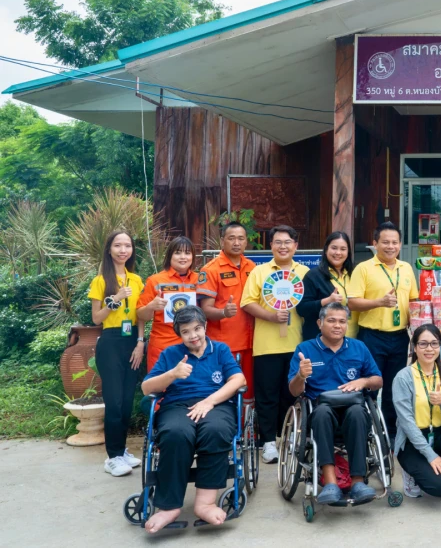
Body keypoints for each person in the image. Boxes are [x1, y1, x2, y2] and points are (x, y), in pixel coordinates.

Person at [140, 306, 245, 533]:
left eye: (197, 328)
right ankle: (169, 507)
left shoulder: (220, 350)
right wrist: (172, 375)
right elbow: (146, 387)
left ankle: (205, 504)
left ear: (205, 326)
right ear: (179, 334)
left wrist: (210, 402)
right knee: (176, 433)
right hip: (177, 405)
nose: (193, 335)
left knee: (215, 430)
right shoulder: (170, 354)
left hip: (215, 403)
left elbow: (238, 379)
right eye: (186, 331)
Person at [289, 303, 382, 504]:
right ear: (319, 323)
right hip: (321, 408)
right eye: (331, 320)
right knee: (322, 414)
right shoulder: (304, 349)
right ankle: (330, 482)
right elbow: (295, 391)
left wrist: (364, 381)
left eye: (342, 321)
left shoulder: (358, 347)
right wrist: (300, 375)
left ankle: (358, 482)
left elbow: (378, 380)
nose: (337, 325)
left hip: (353, 406)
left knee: (358, 413)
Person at [241, 225, 311, 464]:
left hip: (297, 344)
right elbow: (247, 302)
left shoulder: (305, 273)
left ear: (296, 245)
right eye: (278, 242)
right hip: (267, 345)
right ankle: (268, 441)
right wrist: (270, 316)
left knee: (290, 394)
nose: (283, 246)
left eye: (288, 242)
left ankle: (289, 437)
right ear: (270, 246)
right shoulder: (259, 272)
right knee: (267, 395)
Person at [347, 221, 418, 441]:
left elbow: (413, 300)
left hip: (399, 337)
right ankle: (366, 433)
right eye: (385, 242)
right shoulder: (363, 268)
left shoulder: (405, 268)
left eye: (395, 242)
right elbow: (352, 302)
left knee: (394, 389)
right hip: (371, 336)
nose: (390, 246)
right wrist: (379, 302)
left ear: (400, 244)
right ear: (375, 243)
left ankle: (390, 434)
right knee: (370, 387)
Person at [393, 324, 441, 505]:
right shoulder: (403, 378)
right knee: (438, 487)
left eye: (434, 344)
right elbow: (406, 423)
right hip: (412, 441)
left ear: (440, 346)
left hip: (438, 435)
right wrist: (430, 456)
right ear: (414, 347)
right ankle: (410, 472)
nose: (429, 349)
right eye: (423, 344)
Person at [89, 230, 146, 477]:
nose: (123, 250)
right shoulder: (101, 280)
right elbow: (96, 318)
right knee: (114, 402)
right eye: (118, 245)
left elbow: (142, 314)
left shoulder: (137, 279)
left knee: (126, 402)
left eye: (127, 246)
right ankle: (112, 457)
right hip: (111, 343)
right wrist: (116, 299)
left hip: (132, 340)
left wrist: (141, 342)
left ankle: (122, 451)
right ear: (109, 249)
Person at [198, 221, 256, 398]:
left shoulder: (253, 268)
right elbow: (204, 310)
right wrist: (223, 312)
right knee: (225, 392)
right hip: (225, 346)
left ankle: (247, 426)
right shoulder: (210, 270)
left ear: (246, 242)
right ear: (222, 240)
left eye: (241, 238)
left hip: (253, 344)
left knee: (249, 392)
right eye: (231, 238)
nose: (236, 243)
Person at [137, 236, 199, 369]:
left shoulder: (199, 280)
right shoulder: (155, 280)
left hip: (194, 345)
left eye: (187, 253)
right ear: (169, 255)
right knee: (161, 387)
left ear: (193, 256)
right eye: (178, 252)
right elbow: (140, 315)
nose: (183, 257)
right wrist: (151, 307)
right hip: (163, 346)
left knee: (192, 387)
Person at [299, 231, 358, 341]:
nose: (338, 252)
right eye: (334, 248)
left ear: (348, 252)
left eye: (343, 249)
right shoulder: (313, 275)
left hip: (352, 340)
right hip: (321, 342)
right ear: (326, 249)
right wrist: (326, 301)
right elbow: (302, 309)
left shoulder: (355, 274)